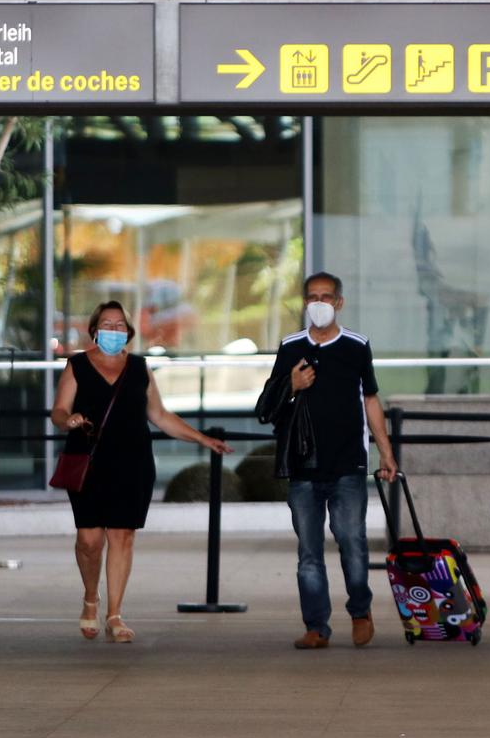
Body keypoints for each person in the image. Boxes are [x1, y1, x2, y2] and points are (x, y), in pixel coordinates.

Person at [51, 300, 231, 644]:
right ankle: (91, 597)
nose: (114, 330)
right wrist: (67, 420)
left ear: (129, 333)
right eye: (107, 324)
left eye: (120, 326)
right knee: (89, 539)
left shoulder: (139, 368)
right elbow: (59, 410)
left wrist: (204, 439)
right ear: (94, 329)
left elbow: (161, 416)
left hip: (132, 462)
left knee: (123, 536)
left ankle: (115, 615)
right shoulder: (77, 366)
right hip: (88, 462)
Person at [257, 271, 399, 650]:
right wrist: (293, 384)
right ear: (305, 303)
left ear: (338, 302)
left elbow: (370, 398)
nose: (319, 303)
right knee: (309, 552)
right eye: (312, 297)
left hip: (348, 464)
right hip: (303, 467)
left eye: (326, 296)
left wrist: (385, 451)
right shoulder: (290, 347)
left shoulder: (356, 346)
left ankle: (360, 610)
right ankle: (316, 626)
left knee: (352, 540)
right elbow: (268, 402)